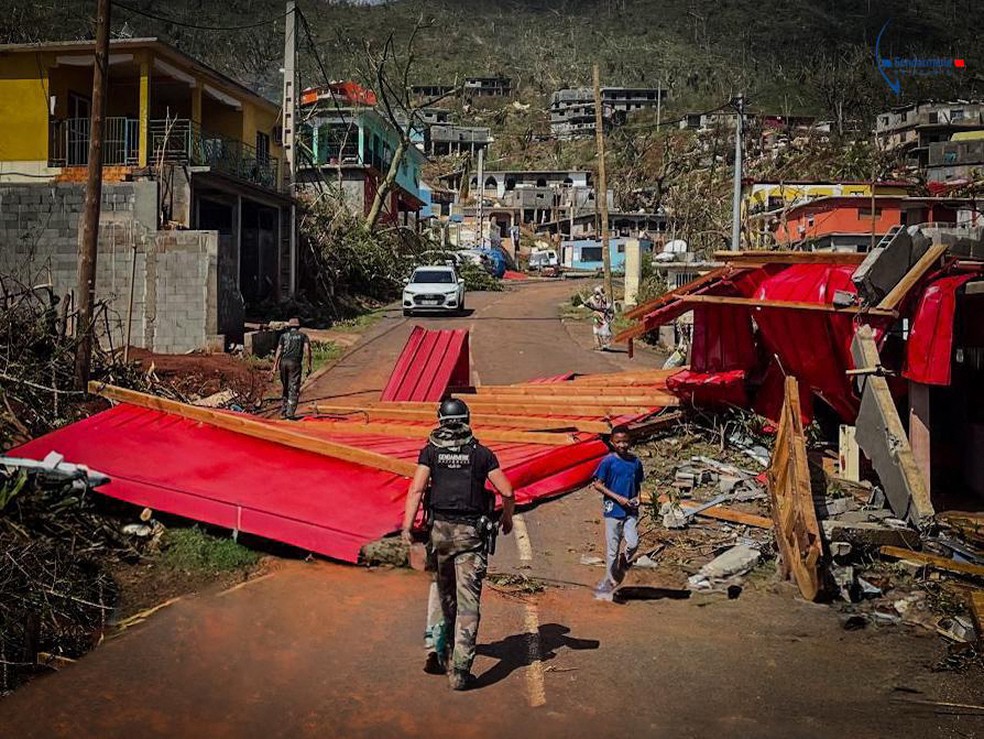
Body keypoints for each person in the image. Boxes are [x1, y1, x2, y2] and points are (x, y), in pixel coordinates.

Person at [401, 398, 515, 691]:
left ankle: (436, 651)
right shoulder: (481, 454)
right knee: (467, 605)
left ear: (440, 420)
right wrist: (507, 518)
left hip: (439, 536)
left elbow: (416, 490)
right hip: (470, 538)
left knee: (440, 593)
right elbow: (507, 490)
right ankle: (461, 673)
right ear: (468, 419)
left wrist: (406, 528)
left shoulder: (430, 452)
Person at [591, 426, 644, 601]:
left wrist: (638, 498)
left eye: (625, 441)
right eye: (618, 441)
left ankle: (625, 559)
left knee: (634, 542)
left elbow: (637, 484)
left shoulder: (635, 462)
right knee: (611, 551)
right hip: (613, 510)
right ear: (612, 443)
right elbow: (598, 484)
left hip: (631, 510)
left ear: (630, 441)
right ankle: (608, 584)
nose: (622, 445)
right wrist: (618, 498)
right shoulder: (608, 462)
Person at [270, 317, 312, 419]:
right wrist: (309, 365)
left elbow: (279, 350)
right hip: (295, 364)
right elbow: (307, 350)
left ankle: (283, 412)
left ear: (289, 327)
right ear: (298, 327)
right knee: (293, 387)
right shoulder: (303, 336)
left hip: (283, 363)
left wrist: (275, 366)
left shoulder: (283, 336)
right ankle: (290, 414)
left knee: (285, 387)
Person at [586, 286, 614, 351]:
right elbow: (586, 303)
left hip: (603, 316)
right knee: (597, 330)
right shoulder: (592, 298)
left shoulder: (603, 299)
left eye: (598, 293)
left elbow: (608, 306)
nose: (597, 295)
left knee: (603, 330)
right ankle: (599, 345)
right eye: (596, 293)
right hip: (597, 316)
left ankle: (603, 345)